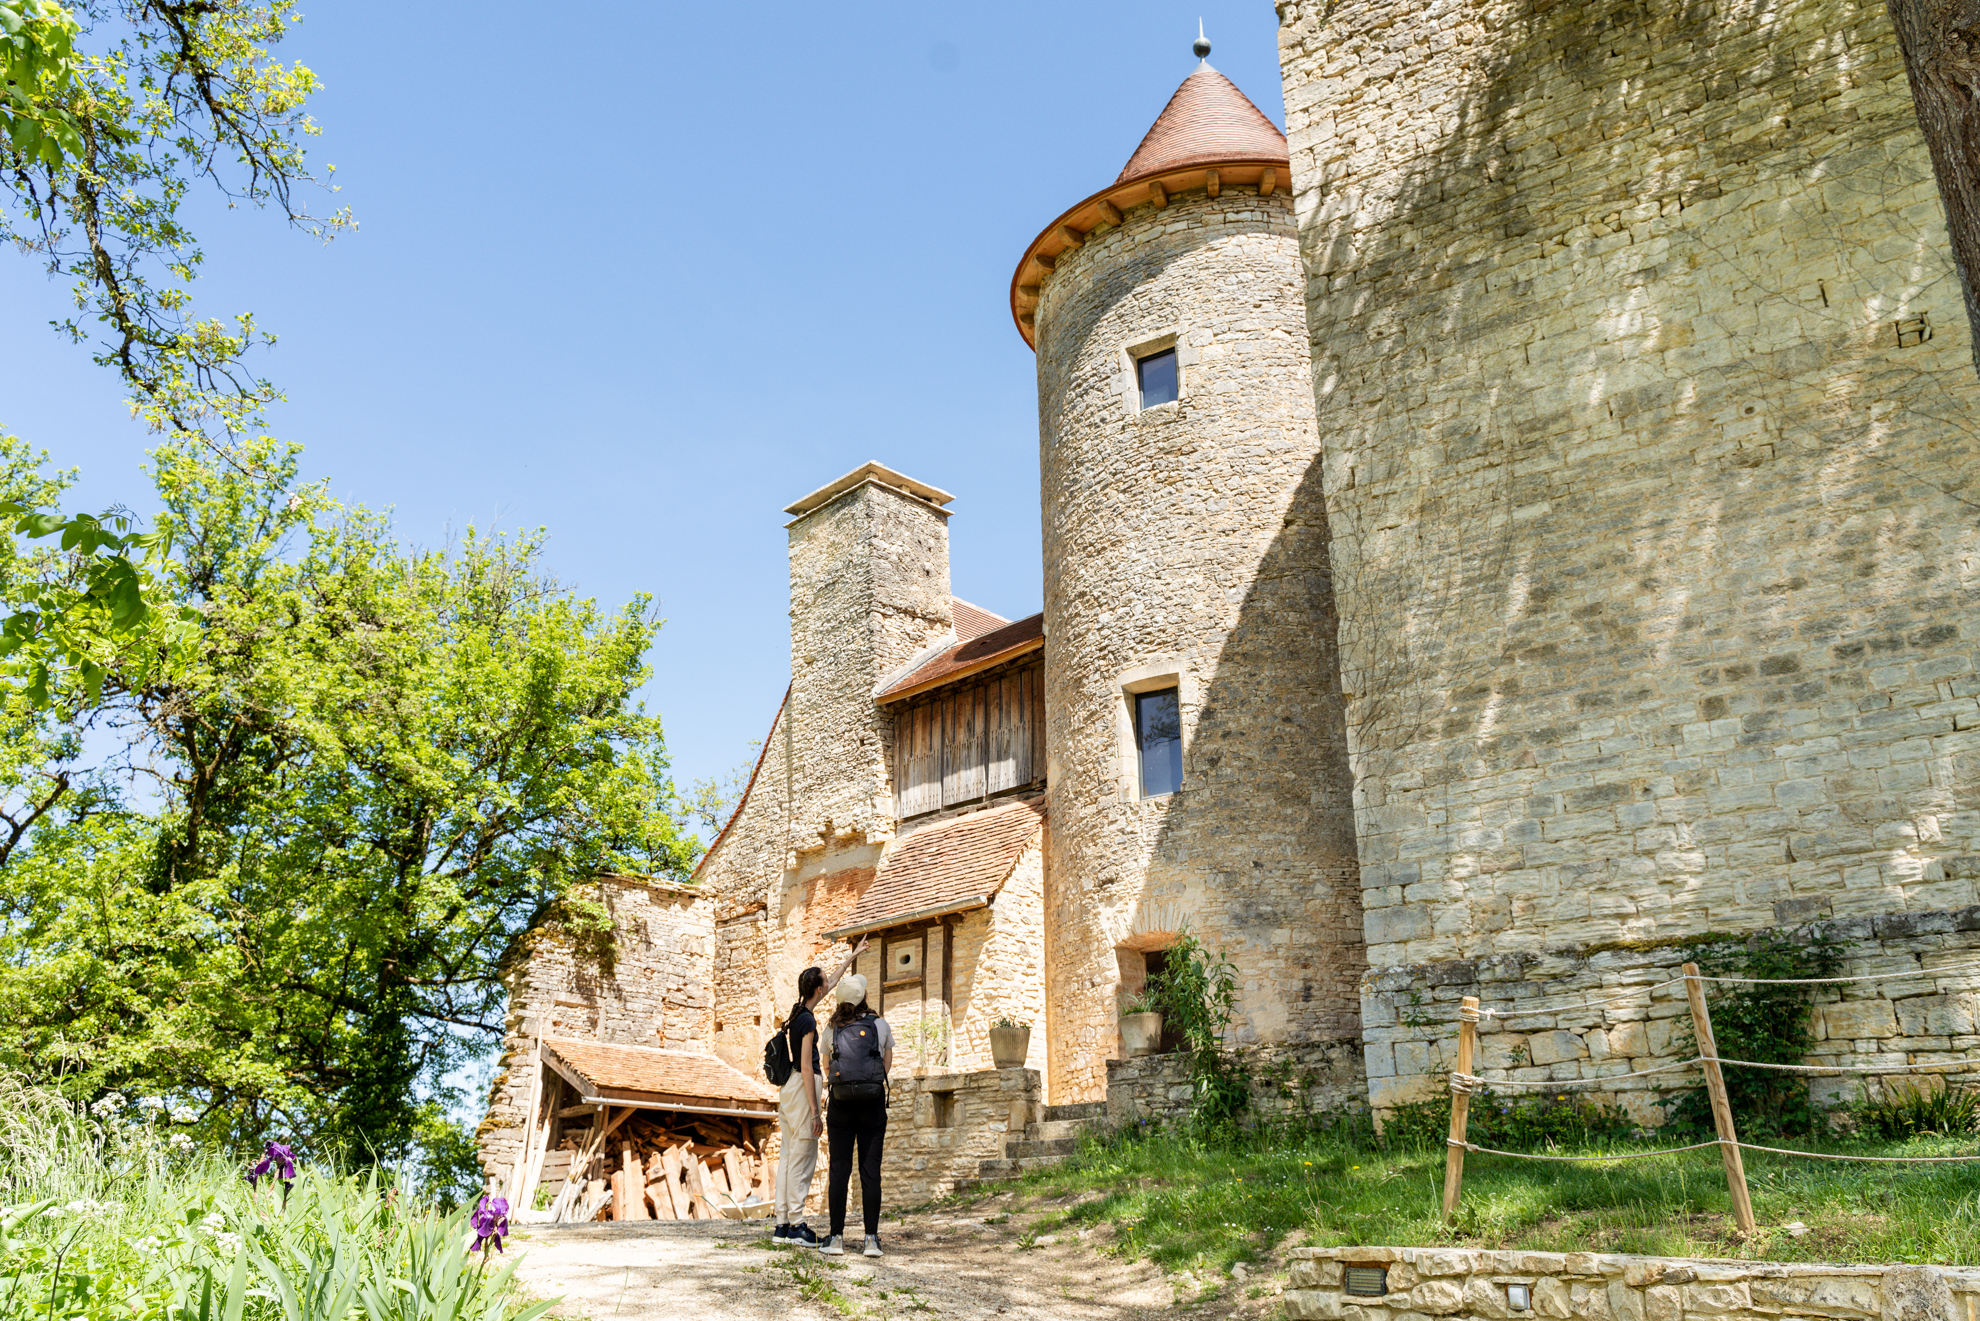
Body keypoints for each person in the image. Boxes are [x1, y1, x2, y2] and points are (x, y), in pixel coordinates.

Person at [771, 937, 866, 1246]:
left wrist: (852, 955)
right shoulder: (809, 1021)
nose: (830, 984)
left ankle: (783, 1224)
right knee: (802, 1156)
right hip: (802, 1086)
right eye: (825, 982)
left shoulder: (798, 1012)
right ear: (818, 990)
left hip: (789, 1089)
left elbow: (834, 979)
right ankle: (797, 1226)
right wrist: (816, 1112)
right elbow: (807, 1066)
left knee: (788, 1156)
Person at [818, 973, 893, 1258]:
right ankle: (871, 1240)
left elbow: (827, 1067)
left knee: (839, 1170)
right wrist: (869, 1082)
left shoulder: (831, 1029)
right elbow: (886, 1062)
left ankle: (836, 1238)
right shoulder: (879, 1024)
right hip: (872, 1104)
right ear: (863, 997)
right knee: (870, 1171)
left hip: (840, 1105)